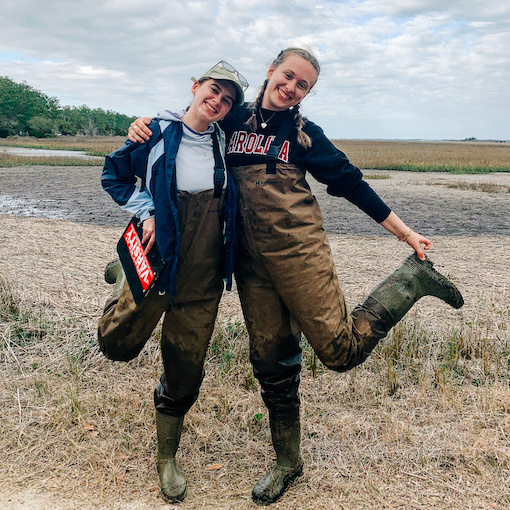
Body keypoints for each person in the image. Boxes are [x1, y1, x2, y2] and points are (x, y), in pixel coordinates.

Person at [128, 47, 464, 505]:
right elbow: (188, 123)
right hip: (250, 264)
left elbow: (349, 182)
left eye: (302, 84)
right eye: (287, 76)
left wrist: (404, 232)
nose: (290, 87)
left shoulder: (304, 136)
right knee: (272, 362)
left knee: (339, 352)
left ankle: (411, 282)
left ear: (307, 92)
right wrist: (142, 126)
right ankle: (288, 461)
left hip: (300, 254)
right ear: (270, 72)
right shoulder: (232, 118)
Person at [98, 61, 248, 503]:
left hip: (202, 277)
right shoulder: (157, 132)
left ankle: (167, 459)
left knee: (185, 370)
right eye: (213, 90)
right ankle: (120, 274)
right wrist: (145, 211)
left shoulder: (226, 143)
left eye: (227, 99)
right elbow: (115, 176)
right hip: (158, 263)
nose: (218, 101)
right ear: (196, 86)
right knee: (116, 343)